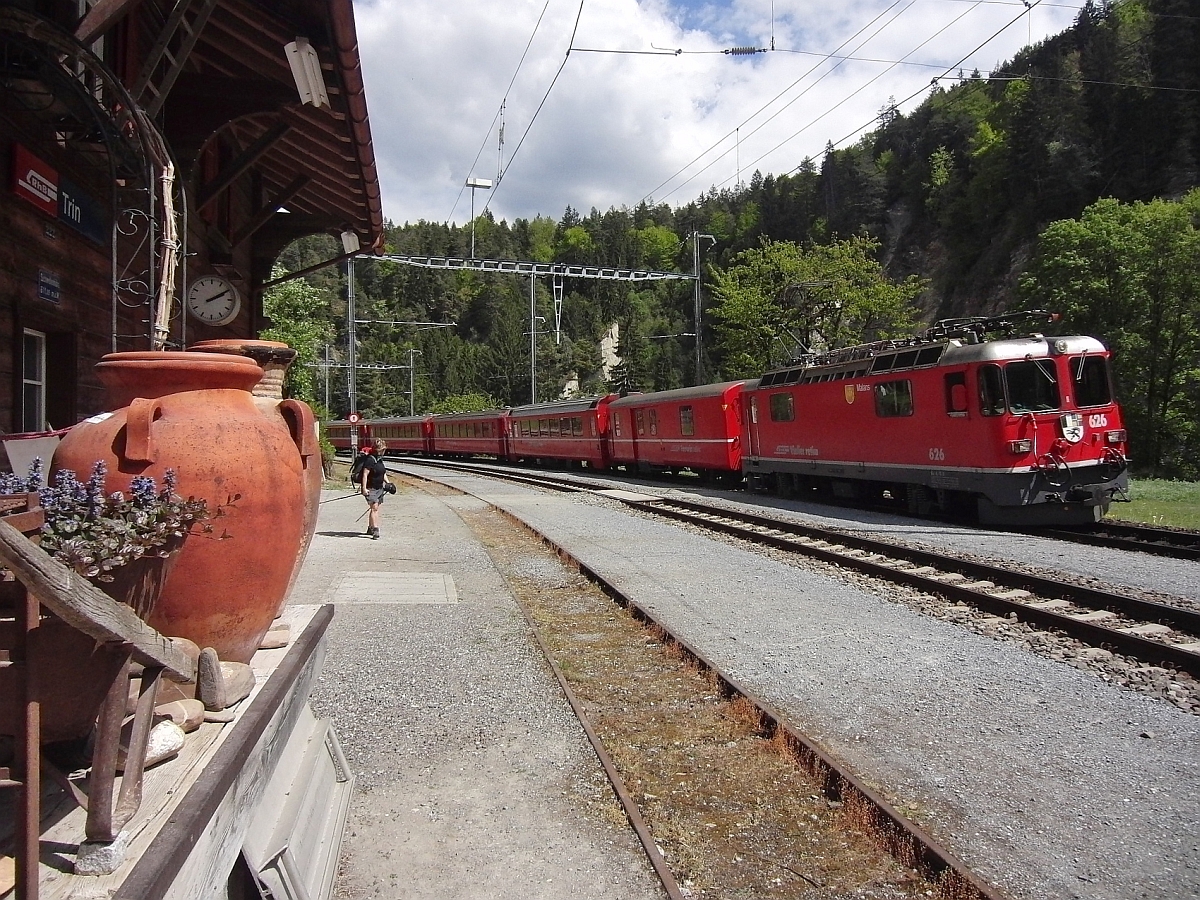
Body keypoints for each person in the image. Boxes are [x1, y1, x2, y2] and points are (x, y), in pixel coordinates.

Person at [359, 440, 391, 539]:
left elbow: (383, 473)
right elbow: (365, 474)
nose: (383, 451)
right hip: (371, 488)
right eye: (382, 449)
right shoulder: (370, 460)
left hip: (379, 488)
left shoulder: (379, 459)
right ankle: (375, 529)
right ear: (378, 450)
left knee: (374, 509)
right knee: (374, 508)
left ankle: (370, 528)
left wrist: (388, 483)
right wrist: (364, 488)